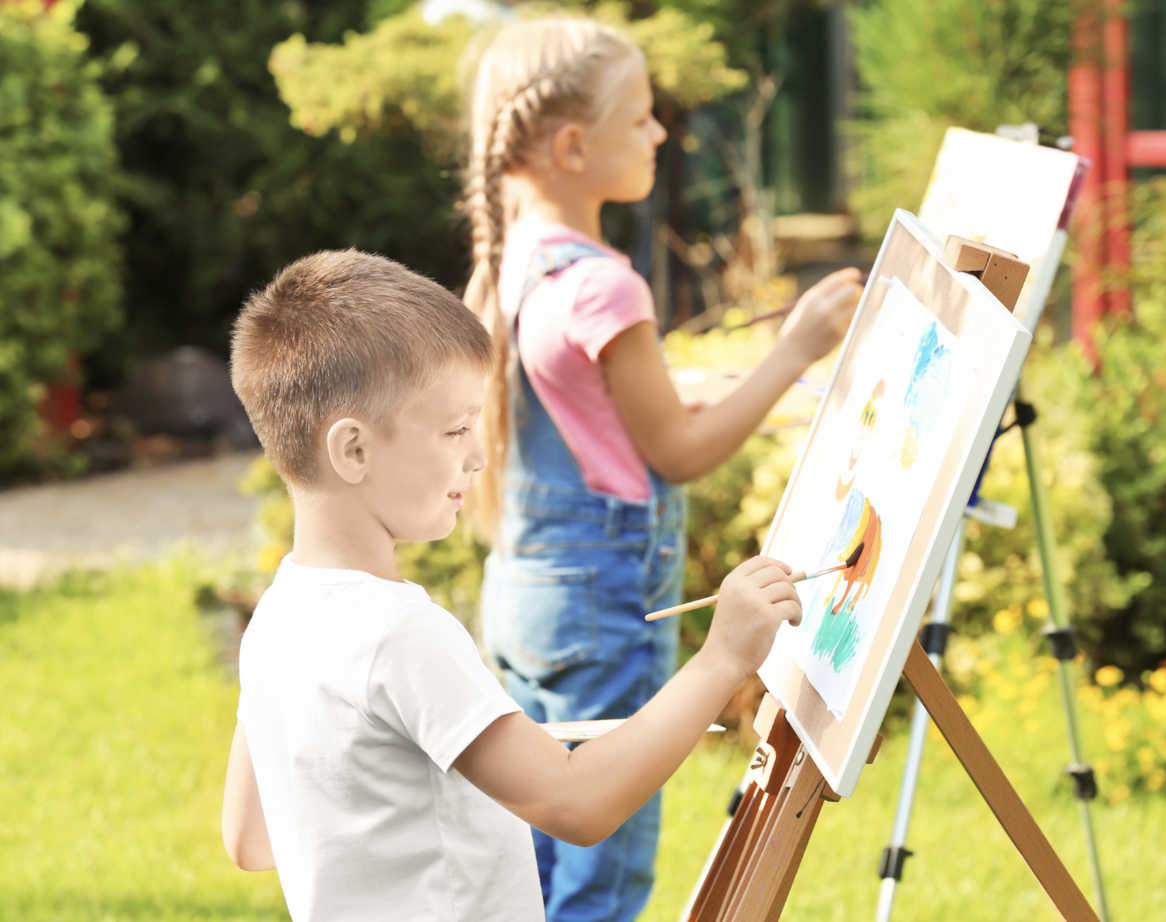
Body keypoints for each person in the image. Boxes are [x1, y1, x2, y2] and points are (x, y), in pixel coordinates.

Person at [219, 249, 804, 922]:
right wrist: (724, 658)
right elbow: (576, 803)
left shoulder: (278, 618)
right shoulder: (401, 633)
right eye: (456, 428)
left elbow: (250, 839)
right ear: (353, 450)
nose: (478, 452)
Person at [461, 19, 862, 921]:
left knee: (529, 868)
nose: (659, 135)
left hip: (525, 598)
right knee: (601, 874)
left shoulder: (514, 260)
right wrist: (793, 347)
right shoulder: (606, 284)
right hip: (606, 611)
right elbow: (680, 454)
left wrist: (697, 385)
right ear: (571, 147)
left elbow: (589, 411)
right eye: (641, 118)